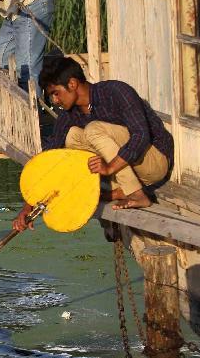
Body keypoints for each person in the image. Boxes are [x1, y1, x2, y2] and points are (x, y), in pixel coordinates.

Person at [13, 57, 174, 231]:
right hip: (127, 173)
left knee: (92, 129)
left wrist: (110, 168)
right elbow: (50, 156)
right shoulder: (69, 114)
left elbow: (141, 136)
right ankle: (119, 190)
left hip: (154, 161)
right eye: (52, 97)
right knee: (72, 136)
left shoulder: (115, 92)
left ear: (72, 84)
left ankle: (137, 194)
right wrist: (28, 206)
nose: (56, 101)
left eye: (56, 93)